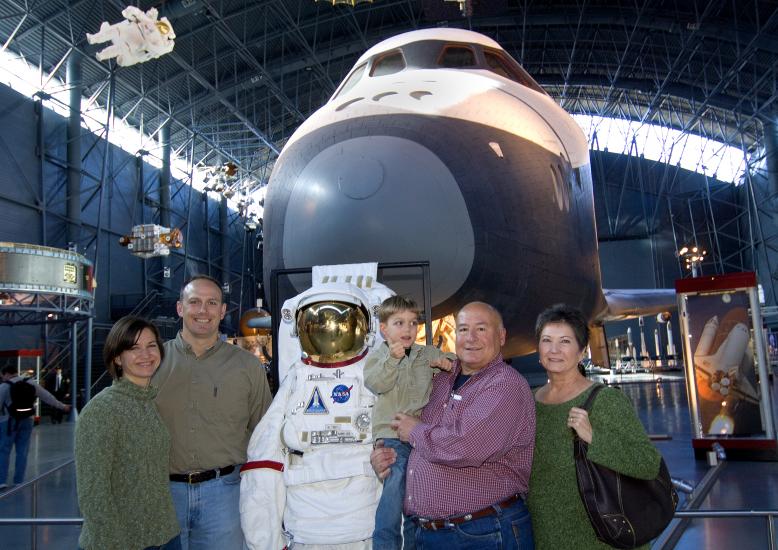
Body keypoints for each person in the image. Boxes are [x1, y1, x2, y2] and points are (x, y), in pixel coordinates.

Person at [372, 301, 536, 550]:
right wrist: (384, 452)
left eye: (481, 329)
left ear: (501, 336)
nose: (470, 338)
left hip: (483, 533)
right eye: (462, 329)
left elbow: (466, 447)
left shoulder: (505, 385)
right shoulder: (441, 379)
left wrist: (414, 431)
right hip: (428, 534)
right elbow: (403, 418)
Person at [154, 274, 273, 550]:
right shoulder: (153, 363)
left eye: (212, 303)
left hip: (225, 495)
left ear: (222, 311)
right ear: (180, 308)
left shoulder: (247, 367)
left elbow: (264, 433)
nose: (203, 311)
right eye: (194, 302)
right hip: (163, 494)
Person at [528, 304, 661, 549]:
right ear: (538, 349)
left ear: (581, 352)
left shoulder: (605, 400)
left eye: (565, 341)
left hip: (602, 537)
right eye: (547, 340)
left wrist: (593, 438)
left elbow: (648, 462)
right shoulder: (529, 402)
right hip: (545, 534)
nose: (554, 350)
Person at [75, 316, 180, 550]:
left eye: (151, 346)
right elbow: (93, 493)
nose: (146, 354)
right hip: (123, 542)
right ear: (117, 357)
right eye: (134, 348)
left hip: (165, 535)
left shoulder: (148, 403)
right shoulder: (101, 410)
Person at [364, 295, 454, 550]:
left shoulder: (425, 354)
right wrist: (392, 359)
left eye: (413, 323)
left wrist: (446, 361)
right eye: (399, 323)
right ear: (384, 329)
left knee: (418, 495)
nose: (408, 329)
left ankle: (415, 544)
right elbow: (376, 382)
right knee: (396, 485)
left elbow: (454, 360)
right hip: (392, 435)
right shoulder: (378, 357)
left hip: (419, 435)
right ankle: (385, 543)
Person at [0, 365, 71, 490]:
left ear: (5, 374)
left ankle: (2, 481)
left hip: (9, 422)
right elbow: (47, 397)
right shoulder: (31, 383)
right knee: (22, 451)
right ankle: (18, 481)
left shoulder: (5, 386)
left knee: (4, 451)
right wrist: (62, 406)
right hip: (27, 419)